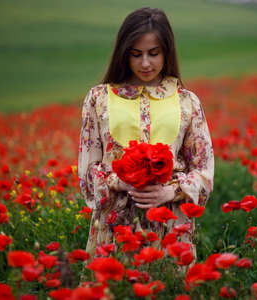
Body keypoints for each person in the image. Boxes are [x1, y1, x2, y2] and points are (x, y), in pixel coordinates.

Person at [78, 7, 214, 259]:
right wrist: (119, 182)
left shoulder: (187, 102)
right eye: (136, 54)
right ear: (124, 53)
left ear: (167, 51)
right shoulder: (98, 98)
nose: (145, 63)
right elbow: (87, 173)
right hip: (114, 228)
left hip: (171, 225)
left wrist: (170, 191)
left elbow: (204, 173)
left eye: (154, 53)